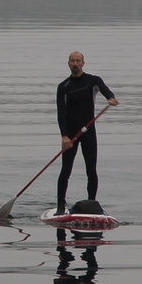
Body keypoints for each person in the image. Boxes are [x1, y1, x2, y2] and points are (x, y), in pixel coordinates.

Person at [54, 51, 117, 214]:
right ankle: (61, 207)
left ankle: (92, 204)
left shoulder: (93, 81)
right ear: (68, 64)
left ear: (83, 63)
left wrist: (111, 99)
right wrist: (64, 136)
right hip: (70, 135)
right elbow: (61, 113)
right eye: (72, 61)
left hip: (89, 132)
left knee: (91, 170)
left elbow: (107, 93)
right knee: (66, 170)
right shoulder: (63, 87)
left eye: (78, 61)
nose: (75, 63)